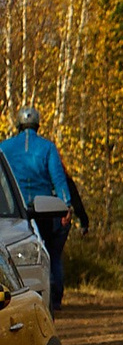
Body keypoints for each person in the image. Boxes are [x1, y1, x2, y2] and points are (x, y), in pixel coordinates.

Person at [2, 107, 83, 311]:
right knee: (49, 255)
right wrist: (65, 207)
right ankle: (53, 299)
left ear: (18, 125)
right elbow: (58, 178)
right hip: (44, 211)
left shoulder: (5, 147)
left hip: (13, 213)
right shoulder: (47, 148)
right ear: (38, 125)